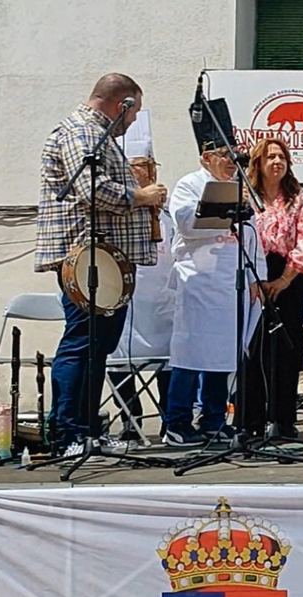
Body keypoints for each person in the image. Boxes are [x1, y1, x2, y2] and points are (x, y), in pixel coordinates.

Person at [35, 73, 166, 453]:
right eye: (133, 112)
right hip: (86, 256)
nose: (133, 120)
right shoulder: (82, 132)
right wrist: (142, 196)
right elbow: (92, 190)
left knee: (98, 345)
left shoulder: (95, 134)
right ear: (120, 104)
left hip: (106, 258)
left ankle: (88, 429)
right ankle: (68, 432)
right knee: (83, 342)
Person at [166, 131, 267, 446]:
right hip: (198, 283)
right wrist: (226, 213)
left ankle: (214, 420)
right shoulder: (189, 185)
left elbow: (252, 237)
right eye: (224, 155)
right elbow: (186, 223)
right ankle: (177, 423)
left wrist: (257, 278)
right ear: (206, 158)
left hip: (231, 284)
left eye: (235, 155)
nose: (232, 161)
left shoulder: (240, 188)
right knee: (191, 354)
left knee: (223, 355)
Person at [239, 138, 303, 438]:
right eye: (270, 157)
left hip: (288, 277)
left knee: (286, 348)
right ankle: (251, 420)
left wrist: (284, 280)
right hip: (253, 276)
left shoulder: (298, 196)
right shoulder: (245, 195)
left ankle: (283, 419)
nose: (277, 162)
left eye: (282, 157)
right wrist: (255, 279)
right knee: (253, 348)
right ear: (258, 162)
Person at [107, 110, 174, 441]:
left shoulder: (169, 213)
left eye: (146, 166)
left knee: (169, 359)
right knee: (117, 357)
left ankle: (168, 419)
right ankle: (129, 418)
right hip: (126, 298)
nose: (142, 172)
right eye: (134, 166)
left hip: (163, 301)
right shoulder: (117, 209)